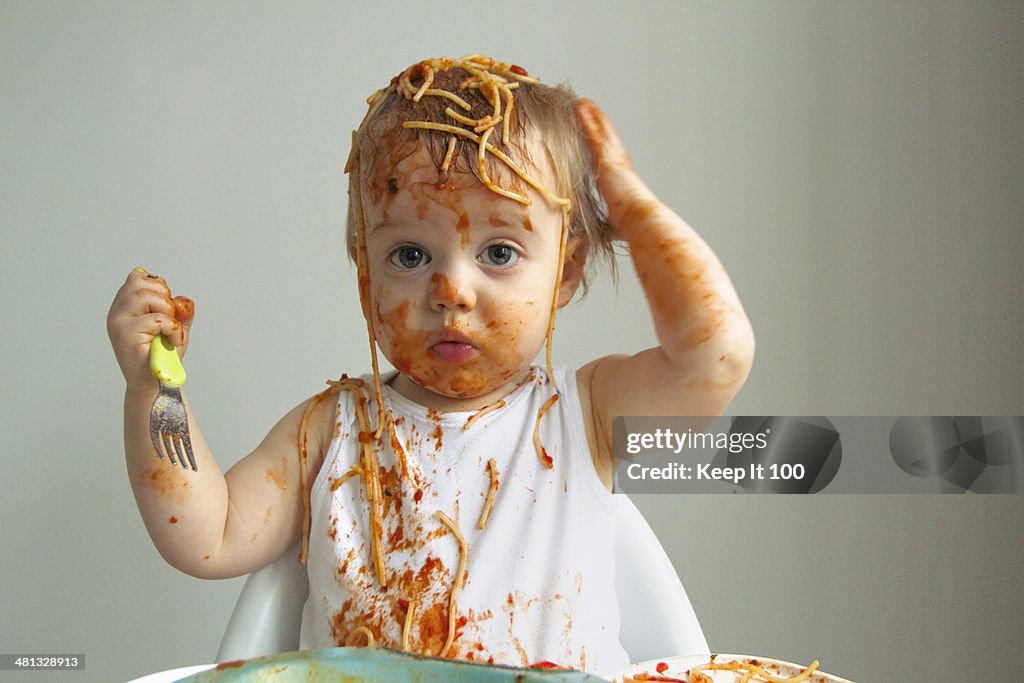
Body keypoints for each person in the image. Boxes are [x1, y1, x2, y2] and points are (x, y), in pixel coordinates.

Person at [106, 55, 754, 675]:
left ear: (567, 269)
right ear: (366, 277)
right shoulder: (330, 431)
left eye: (499, 251)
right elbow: (209, 533)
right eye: (411, 255)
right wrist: (155, 389)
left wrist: (631, 205)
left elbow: (714, 355)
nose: (451, 289)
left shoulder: (585, 415)